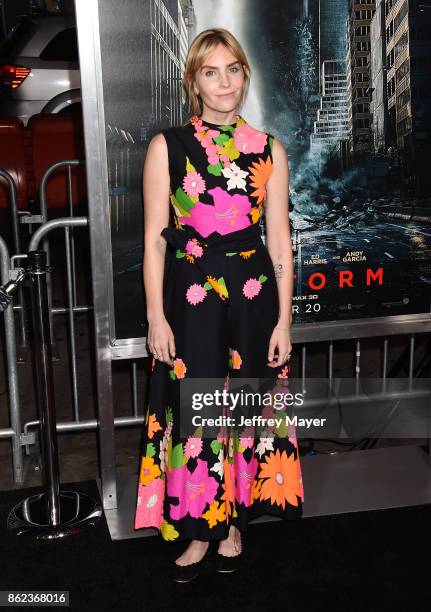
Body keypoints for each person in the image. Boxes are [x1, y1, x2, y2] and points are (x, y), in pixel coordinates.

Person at [134, 28, 304, 583]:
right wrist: (156, 317)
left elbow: (279, 240)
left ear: (244, 75)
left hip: (254, 295)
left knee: (244, 405)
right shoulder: (168, 146)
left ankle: (232, 523)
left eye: (233, 69)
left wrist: (284, 318)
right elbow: (155, 240)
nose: (224, 82)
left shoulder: (268, 148)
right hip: (191, 296)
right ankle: (200, 529)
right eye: (212, 71)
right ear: (194, 81)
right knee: (196, 411)